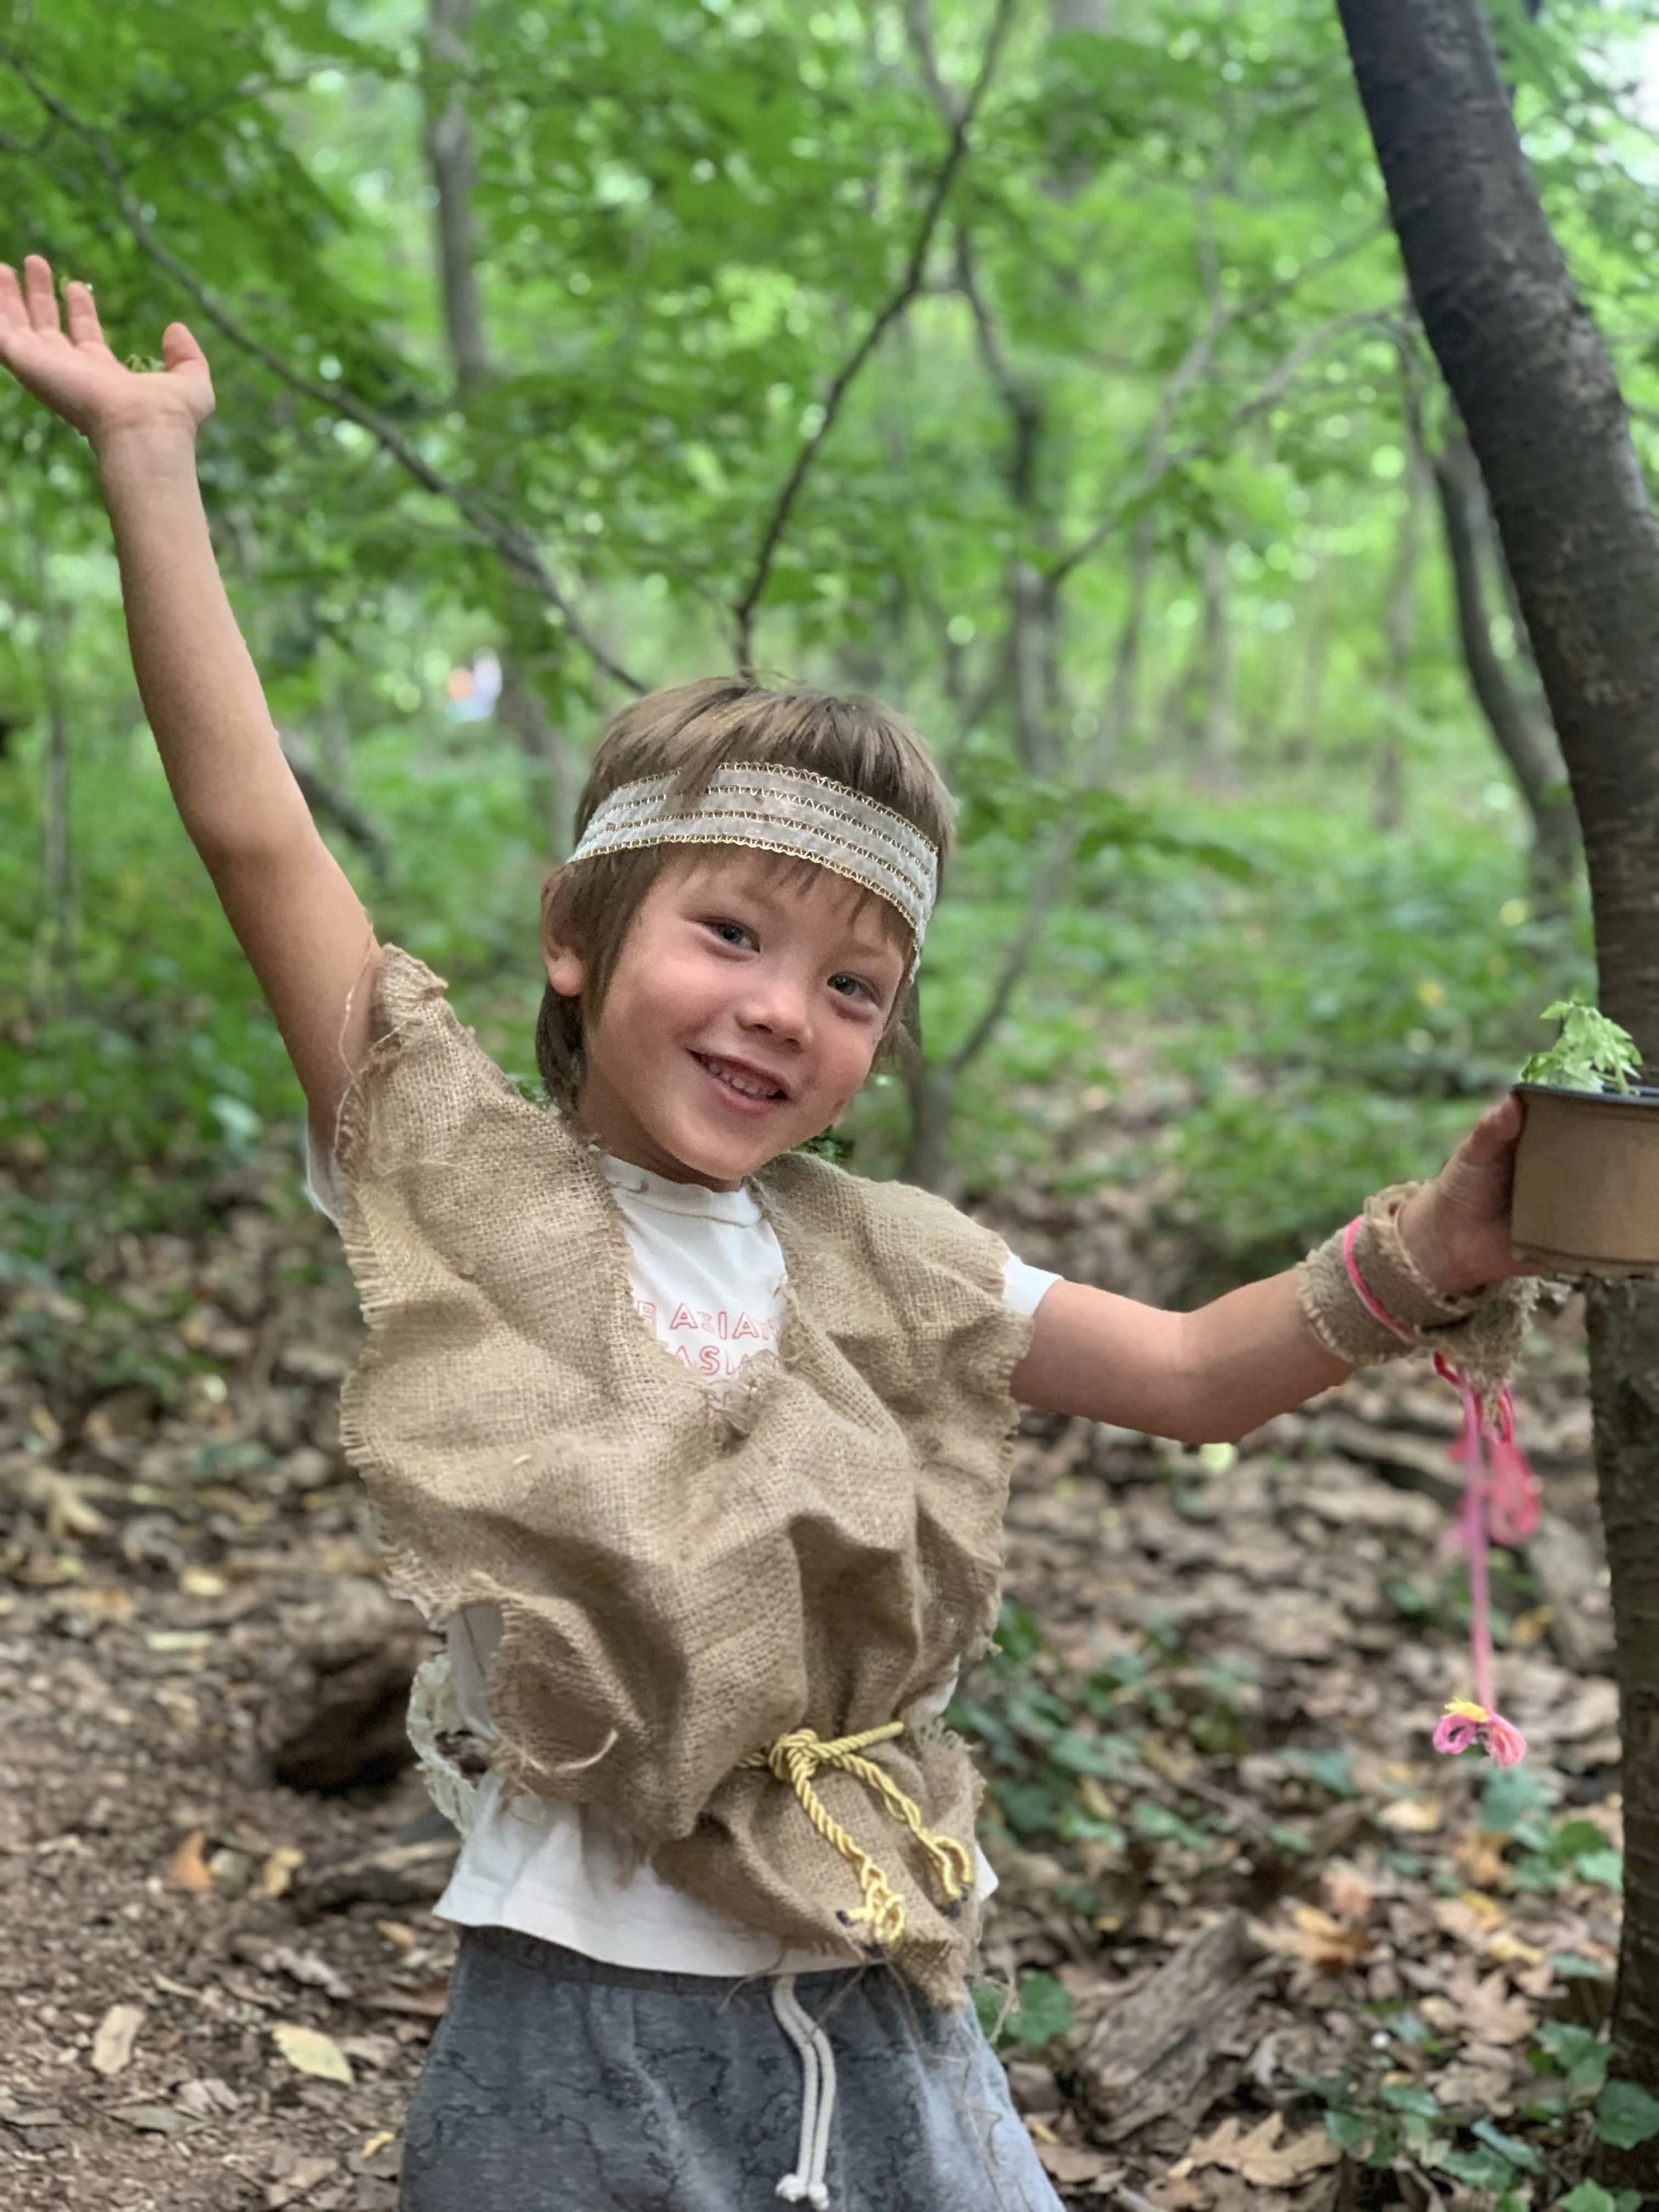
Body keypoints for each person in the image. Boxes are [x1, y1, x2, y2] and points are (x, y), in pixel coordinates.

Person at [0, 256, 1546, 2212]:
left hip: (879, 1977)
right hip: (581, 2006)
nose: (776, 1009)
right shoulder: (470, 1185)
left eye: (849, 982)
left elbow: (1180, 1374)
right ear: (580, 935)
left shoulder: (887, 1261)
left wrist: (1442, 1243)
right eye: (726, 932)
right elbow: (257, 835)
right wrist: (149, 458)